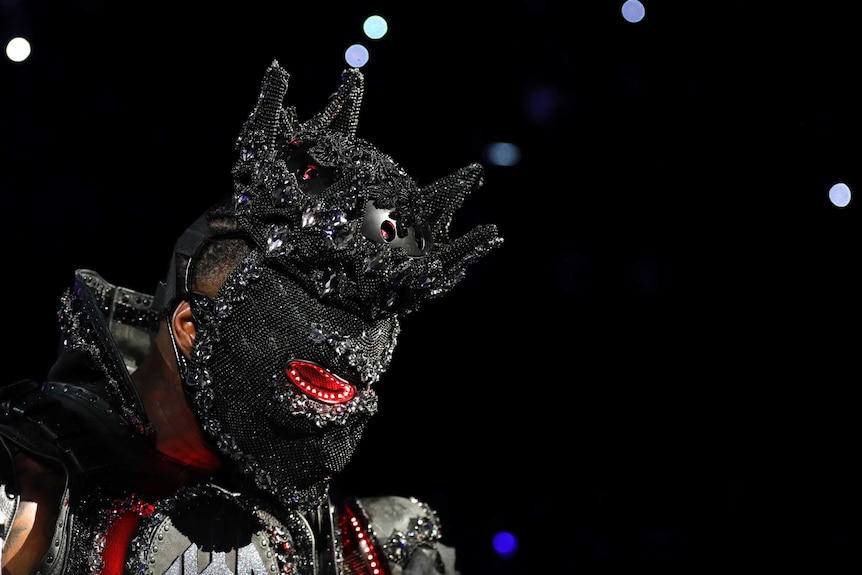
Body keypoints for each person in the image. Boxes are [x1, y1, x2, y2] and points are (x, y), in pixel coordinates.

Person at [0, 60, 502, 575]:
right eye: (316, 324)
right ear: (193, 329)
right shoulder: (25, 493)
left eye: (377, 326)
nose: (354, 361)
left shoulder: (365, 548)